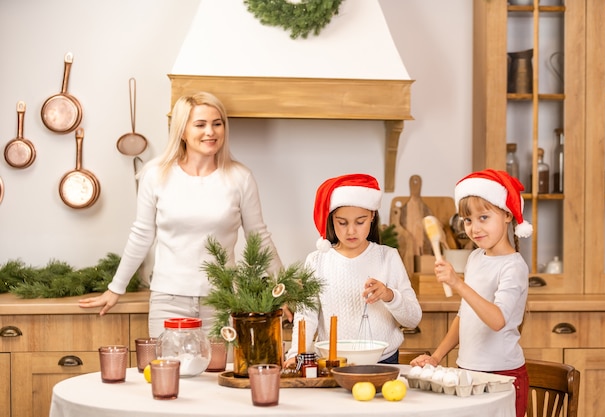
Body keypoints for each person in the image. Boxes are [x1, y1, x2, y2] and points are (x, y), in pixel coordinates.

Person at [79, 92, 282, 337]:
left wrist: (283, 288)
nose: (211, 132)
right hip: (168, 301)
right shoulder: (155, 174)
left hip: (223, 301)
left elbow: (258, 237)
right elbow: (142, 235)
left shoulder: (240, 178)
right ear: (182, 131)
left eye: (217, 124)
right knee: (167, 375)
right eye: (200, 124)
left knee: (219, 375)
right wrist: (115, 288)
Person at [410, 169, 531, 417]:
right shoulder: (476, 258)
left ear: (507, 214)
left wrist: (458, 284)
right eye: (467, 220)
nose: (474, 228)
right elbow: (465, 316)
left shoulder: (514, 266)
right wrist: (436, 356)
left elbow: (497, 320)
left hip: (502, 377)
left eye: (483, 217)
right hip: (467, 372)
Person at [285, 173, 422, 366]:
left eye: (360, 222)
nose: (351, 231)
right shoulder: (317, 261)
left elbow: (413, 318)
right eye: (342, 222)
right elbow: (306, 316)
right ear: (331, 219)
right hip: (331, 362)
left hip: (383, 362)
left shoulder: (388, 257)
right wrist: (295, 354)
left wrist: (389, 295)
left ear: (372, 216)